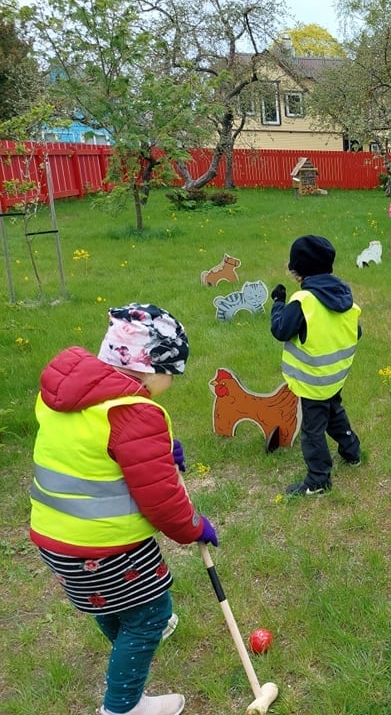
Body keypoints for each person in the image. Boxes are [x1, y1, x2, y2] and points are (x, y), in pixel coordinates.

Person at [29, 303, 217, 715]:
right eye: (172, 373)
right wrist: (195, 527)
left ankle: (130, 639)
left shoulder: (69, 398)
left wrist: (161, 451)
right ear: (149, 368)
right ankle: (122, 708)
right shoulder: (134, 411)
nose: (171, 382)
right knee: (151, 616)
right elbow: (163, 501)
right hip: (110, 547)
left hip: (55, 541)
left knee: (108, 603)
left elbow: (98, 454)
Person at [271, 235, 362, 496]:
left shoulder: (304, 302)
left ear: (297, 271)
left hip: (312, 381)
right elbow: (356, 331)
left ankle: (319, 480)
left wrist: (278, 303)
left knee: (313, 431)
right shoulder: (344, 297)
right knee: (334, 412)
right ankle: (352, 451)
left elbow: (280, 329)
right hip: (334, 377)